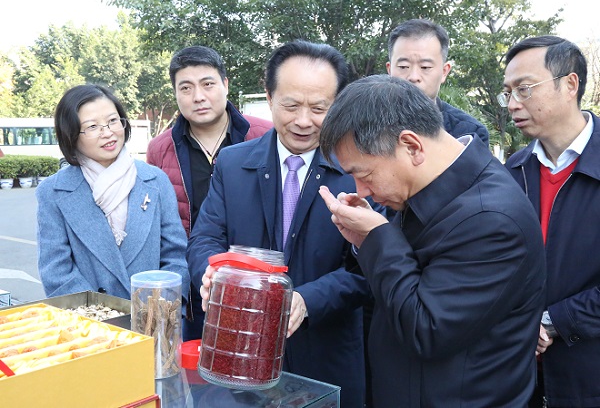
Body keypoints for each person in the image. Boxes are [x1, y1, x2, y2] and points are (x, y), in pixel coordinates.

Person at [318, 75, 546, 407]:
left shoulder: (492, 219)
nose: (361, 190)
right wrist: (365, 240)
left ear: (412, 146)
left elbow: (427, 330)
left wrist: (379, 237)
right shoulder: (429, 187)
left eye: (364, 174)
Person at [188, 41, 368, 408]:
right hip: (239, 357)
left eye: (319, 108)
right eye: (291, 105)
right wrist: (211, 274)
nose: (303, 121)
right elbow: (204, 238)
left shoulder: (358, 172)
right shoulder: (233, 165)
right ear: (269, 97)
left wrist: (306, 299)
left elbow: (368, 268)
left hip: (325, 359)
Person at [146, 45, 272, 340]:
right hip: (194, 289)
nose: (198, 96)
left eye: (207, 84)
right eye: (186, 88)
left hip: (256, 283)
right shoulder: (160, 149)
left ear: (225, 84)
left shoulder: (265, 136)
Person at [501, 35, 600, 408]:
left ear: (570, 84)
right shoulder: (511, 174)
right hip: (520, 377)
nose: (513, 103)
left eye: (524, 89)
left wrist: (554, 322)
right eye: (508, 93)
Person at [36, 84, 190, 299]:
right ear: (71, 134)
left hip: (152, 312)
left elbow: (175, 257)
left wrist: (158, 307)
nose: (107, 133)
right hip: (89, 317)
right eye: (92, 126)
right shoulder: (53, 192)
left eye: (112, 121)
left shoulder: (156, 181)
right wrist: (104, 313)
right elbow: (56, 271)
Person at [387, 18, 489, 146]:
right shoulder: (365, 121)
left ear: (444, 72)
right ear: (389, 70)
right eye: (403, 66)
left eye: (425, 67)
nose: (413, 77)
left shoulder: (469, 133)